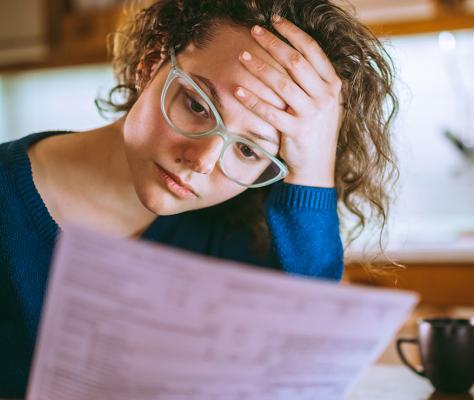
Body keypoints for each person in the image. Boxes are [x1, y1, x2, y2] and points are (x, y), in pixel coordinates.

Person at [0, 0, 399, 396]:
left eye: (248, 150)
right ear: (152, 61)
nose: (203, 161)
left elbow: (310, 364)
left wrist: (311, 174)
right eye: (197, 105)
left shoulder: (237, 238)